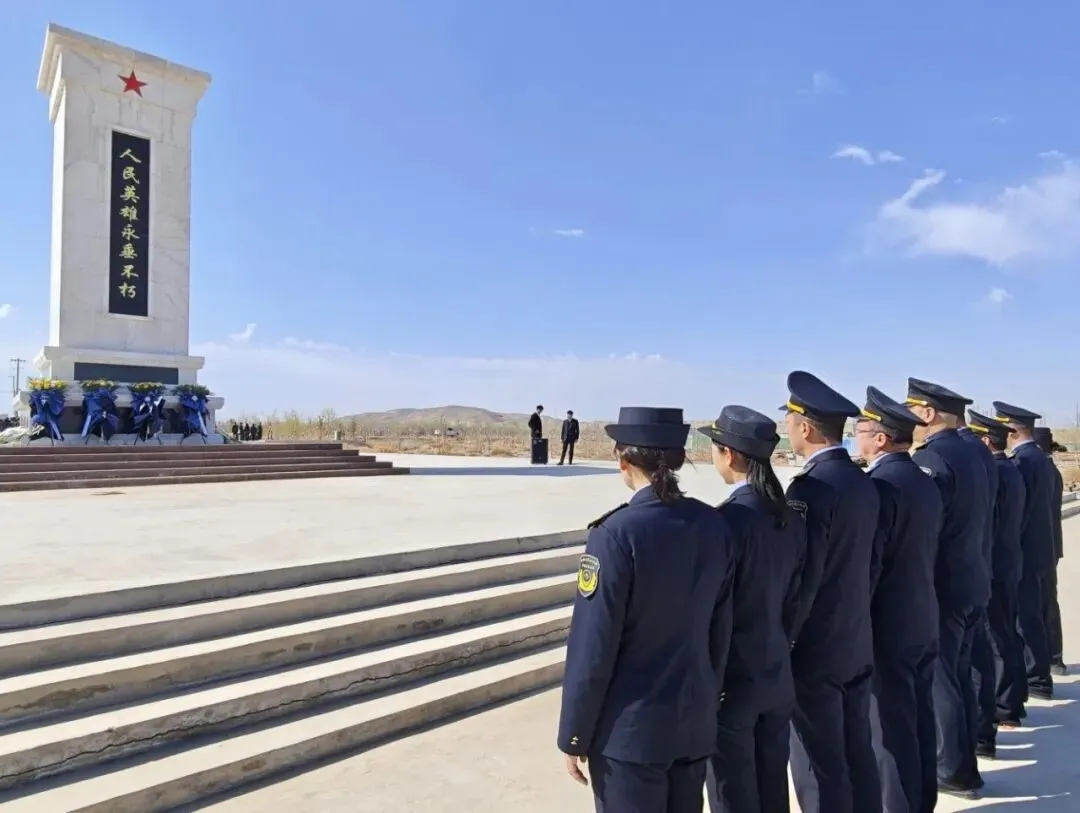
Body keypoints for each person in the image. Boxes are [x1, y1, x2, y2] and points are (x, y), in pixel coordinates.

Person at [558, 407, 735, 813]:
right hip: (692, 724)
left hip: (631, 736)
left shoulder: (615, 535)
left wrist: (574, 733)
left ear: (623, 461)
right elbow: (720, 627)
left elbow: (593, 647)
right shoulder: (713, 525)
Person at [780, 371, 881, 813]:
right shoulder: (864, 482)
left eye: (789, 420)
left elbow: (801, 577)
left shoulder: (811, 489)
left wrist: (786, 639)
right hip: (856, 635)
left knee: (819, 764)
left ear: (804, 427)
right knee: (858, 751)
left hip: (817, 646)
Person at [698, 405, 806, 813]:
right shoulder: (789, 519)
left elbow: (712, 609)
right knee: (770, 783)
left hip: (733, 679)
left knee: (732, 790)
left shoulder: (727, 521)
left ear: (729, 455)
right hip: (776, 669)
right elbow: (795, 597)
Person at [854, 386, 943, 813]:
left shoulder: (881, 486)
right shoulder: (923, 482)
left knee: (889, 731)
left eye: (862, 431)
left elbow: (872, 565)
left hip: (888, 624)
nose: (857, 438)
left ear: (881, 439)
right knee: (920, 719)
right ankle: (922, 800)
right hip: (923, 614)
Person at [904, 378, 990, 800]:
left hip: (945, 582)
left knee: (942, 681)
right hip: (975, 575)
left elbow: (927, 524)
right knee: (959, 675)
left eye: (912, 411)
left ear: (927, 412)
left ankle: (954, 770)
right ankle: (966, 760)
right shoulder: (977, 452)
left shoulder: (934, 457)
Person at [967, 410, 1026, 738]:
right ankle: (1012, 702)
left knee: (996, 640)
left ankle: (1004, 705)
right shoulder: (1010, 470)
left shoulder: (998, 472)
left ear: (987, 441)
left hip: (996, 564)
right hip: (1008, 561)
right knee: (1007, 633)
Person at [994, 402, 1057, 701]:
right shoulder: (1039, 459)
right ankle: (1039, 674)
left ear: (1011, 431)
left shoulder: (1023, 462)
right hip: (1041, 549)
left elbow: (1021, 513)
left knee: (1026, 618)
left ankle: (1037, 677)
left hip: (1027, 552)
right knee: (1034, 615)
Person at [1035, 427, 1066, 676]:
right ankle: (1055, 657)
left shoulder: (1040, 470)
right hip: (1051, 544)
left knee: (1040, 604)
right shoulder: (1051, 470)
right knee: (1047, 601)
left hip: (1039, 545)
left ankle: (1052, 658)